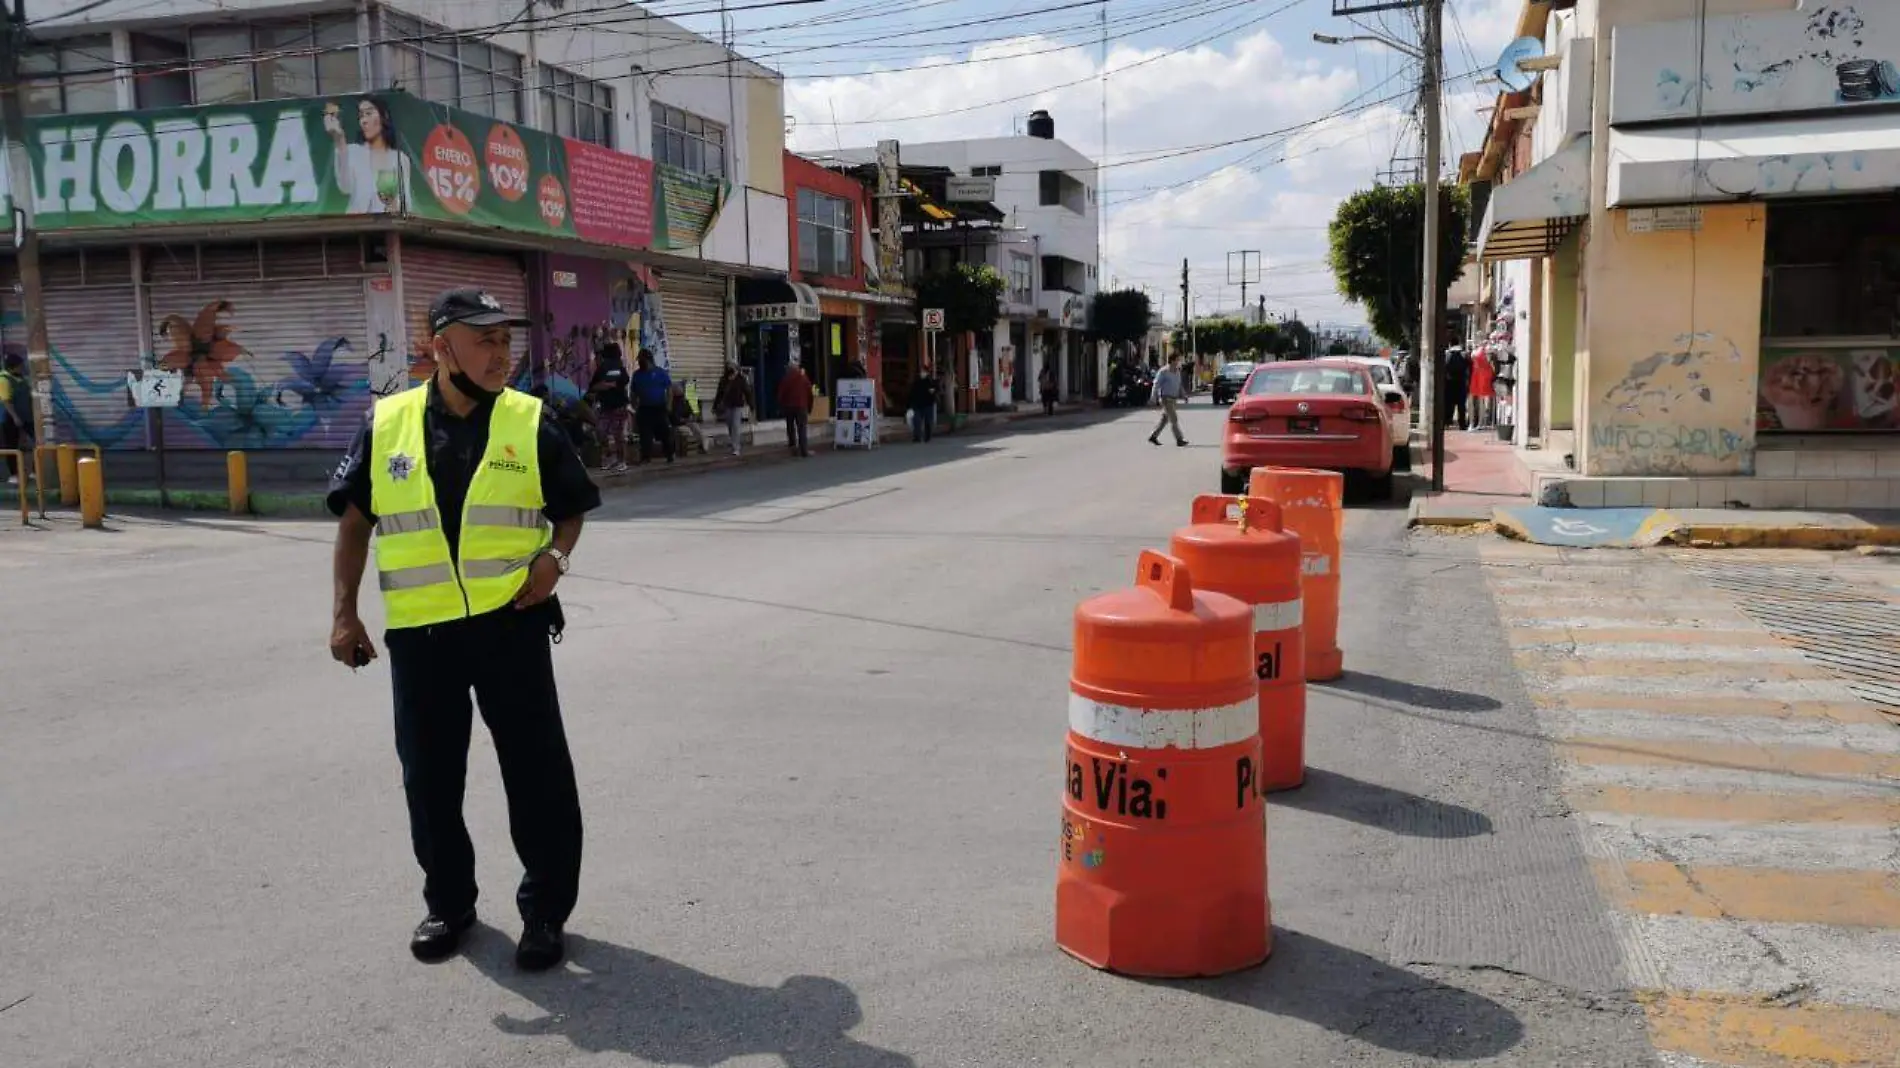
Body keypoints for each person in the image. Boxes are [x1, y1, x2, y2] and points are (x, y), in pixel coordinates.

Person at [326, 287, 599, 973]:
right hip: (422, 637)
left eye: (506, 340)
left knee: (537, 775)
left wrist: (555, 560)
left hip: (511, 625)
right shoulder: (386, 424)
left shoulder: (531, 421)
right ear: (439, 346)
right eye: (485, 340)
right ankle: (448, 903)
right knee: (430, 778)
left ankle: (544, 912)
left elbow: (572, 509)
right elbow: (354, 523)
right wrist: (344, 612)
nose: (500, 353)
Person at [325, 97, 410, 215]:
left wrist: (396, 205)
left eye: (369, 113)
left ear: (383, 116)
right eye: (361, 116)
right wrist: (339, 140)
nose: (364, 120)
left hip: (388, 225)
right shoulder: (353, 151)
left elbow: (407, 201)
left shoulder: (400, 158)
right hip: (358, 226)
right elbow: (345, 187)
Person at [586, 342, 631, 473]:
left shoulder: (615, 367)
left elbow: (623, 381)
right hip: (608, 406)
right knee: (606, 433)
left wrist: (607, 385)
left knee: (614, 434)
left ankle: (620, 460)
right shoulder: (606, 367)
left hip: (616, 406)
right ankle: (612, 458)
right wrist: (607, 385)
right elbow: (593, 386)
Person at [629, 349, 674, 464]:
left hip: (659, 407)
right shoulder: (637, 375)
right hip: (644, 408)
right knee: (645, 434)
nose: (639, 363)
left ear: (648, 360)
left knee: (664, 432)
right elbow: (633, 392)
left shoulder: (660, 373)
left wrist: (669, 405)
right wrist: (633, 406)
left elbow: (669, 389)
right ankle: (646, 457)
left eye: (641, 360)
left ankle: (669, 454)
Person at [1, 353, 31, 483]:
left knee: (33, 442)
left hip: (26, 416)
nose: (22, 367)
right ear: (13, 367)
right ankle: (13, 475)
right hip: (10, 417)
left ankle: (33, 471)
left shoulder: (21, 378)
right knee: (12, 445)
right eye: (20, 365)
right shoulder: (3, 379)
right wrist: (15, 417)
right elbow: (6, 401)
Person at [713, 362, 752, 457]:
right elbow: (719, 393)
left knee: (735, 425)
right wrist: (715, 406)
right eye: (728, 367)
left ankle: (736, 447)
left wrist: (751, 405)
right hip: (727, 405)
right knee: (730, 425)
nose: (730, 369)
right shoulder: (724, 379)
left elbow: (747, 392)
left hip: (737, 405)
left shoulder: (741, 379)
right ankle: (734, 442)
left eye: (732, 367)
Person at [776, 359, 813, 457]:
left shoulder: (786, 378)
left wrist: (781, 406)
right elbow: (809, 392)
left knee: (790, 427)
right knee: (802, 428)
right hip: (801, 406)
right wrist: (810, 406)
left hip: (789, 406)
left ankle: (792, 447)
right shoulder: (803, 377)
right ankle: (803, 450)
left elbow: (781, 393)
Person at [1148, 355, 1187, 447]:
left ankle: (1153, 436)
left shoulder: (1177, 371)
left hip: (1174, 399)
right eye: (1177, 360)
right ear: (1172, 361)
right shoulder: (1163, 371)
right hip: (1166, 398)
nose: (1178, 362)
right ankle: (1179, 439)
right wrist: (1153, 397)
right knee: (1174, 418)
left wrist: (1184, 394)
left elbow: (1179, 384)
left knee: (1164, 419)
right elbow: (1156, 384)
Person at [669, 383, 705, 455]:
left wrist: (693, 416)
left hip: (685, 421)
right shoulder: (672, 402)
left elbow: (692, 413)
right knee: (686, 431)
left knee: (697, 429)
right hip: (676, 424)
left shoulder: (685, 401)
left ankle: (701, 446)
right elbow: (675, 418)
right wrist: (686, 419)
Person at [1444, 345, 1472, 432]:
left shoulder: (1447, 354)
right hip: (1461, 382)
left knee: (1449, 404)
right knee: (1461, 405)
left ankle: (1447, 422)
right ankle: (1462, 424)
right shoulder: (1464, 354)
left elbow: (1444, 367)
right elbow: (1469, 367)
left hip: (1449, 382)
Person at [908, 363, 939, 443]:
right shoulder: (916, 382)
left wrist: (933, 391)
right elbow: (912, 393)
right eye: (921, 372)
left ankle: (927, 436)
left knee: (928, 421)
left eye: (923, 371)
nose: (922, 373)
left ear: (927, 372)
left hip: (928, 404)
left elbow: (936, 389)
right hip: (917, 405)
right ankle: (917, 437)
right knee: (917, 421)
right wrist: (910, 405)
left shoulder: (930, 381)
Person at [1468, 344, 1495, 430]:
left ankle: (1479, 423)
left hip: (1483, 374)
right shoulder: (1476, 349)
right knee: (1472, 398)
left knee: (1481, 398)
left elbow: (1491, 363)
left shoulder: (1487, 348)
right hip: (1476, 374)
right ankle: (1472, 423)